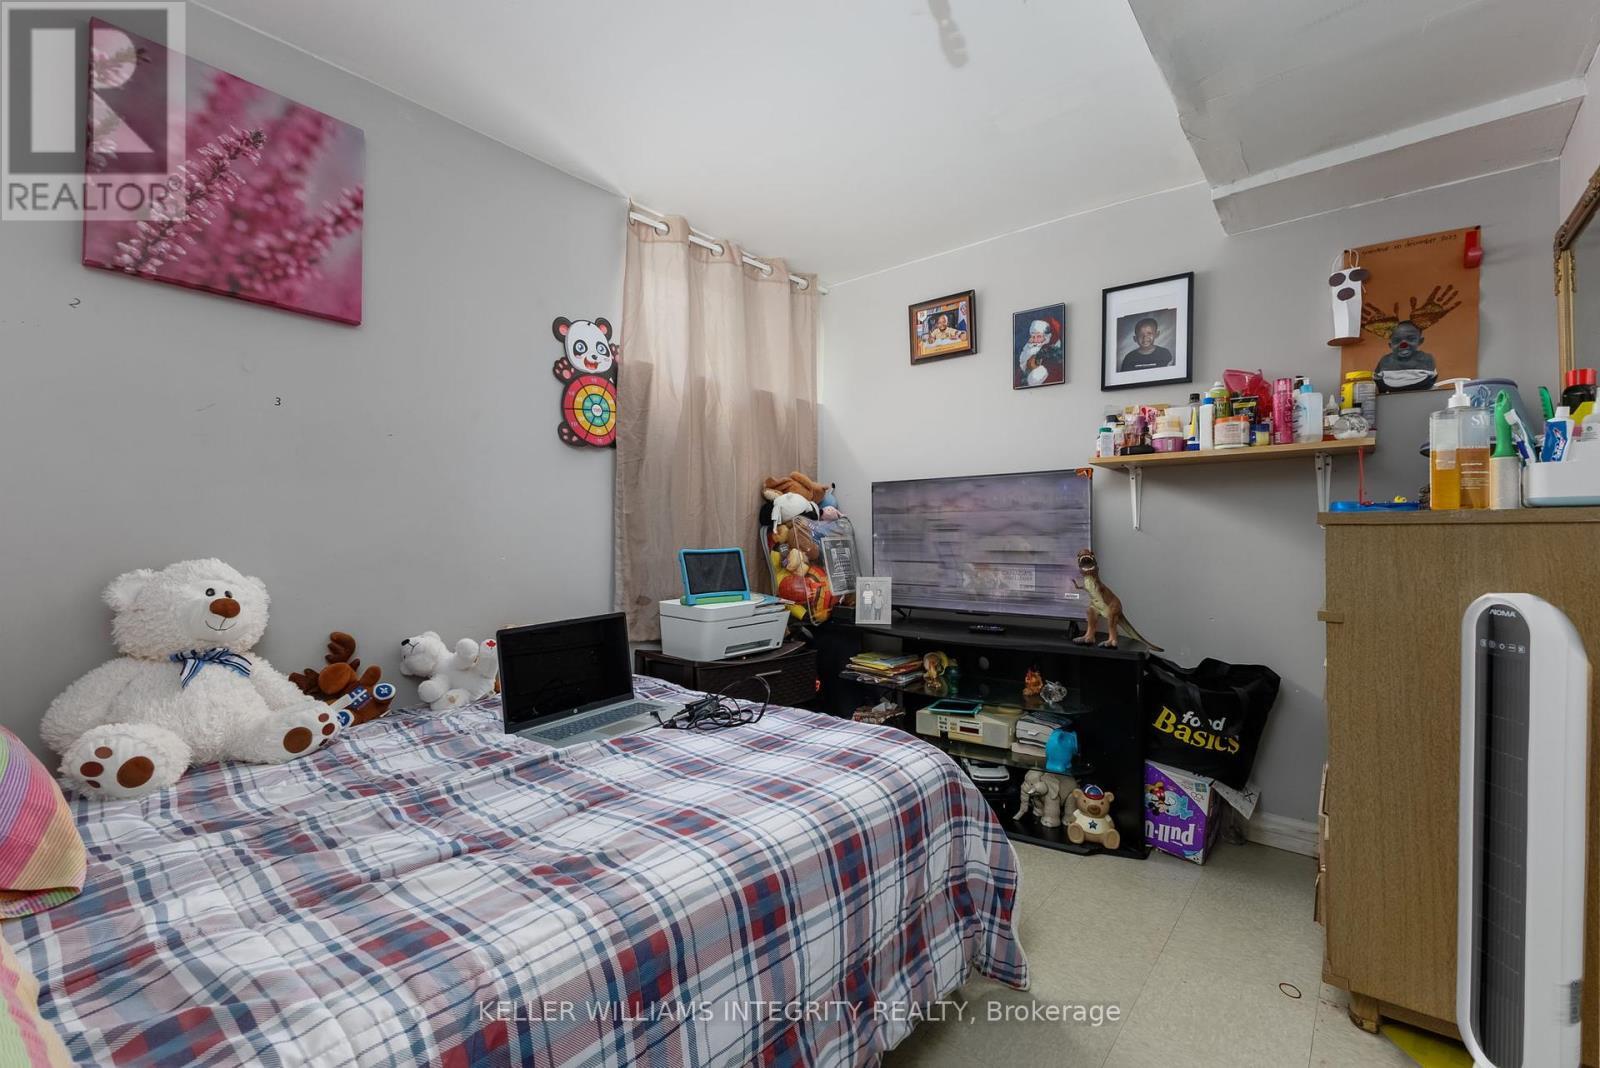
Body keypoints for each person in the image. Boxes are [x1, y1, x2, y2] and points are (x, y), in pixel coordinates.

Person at [1372, 320, 1438, 392]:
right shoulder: (1385, 361)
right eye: (1397, 340)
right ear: (1390, 345)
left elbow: (1432, 379)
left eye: (1411, 339)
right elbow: (1378, 381)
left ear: (1420, 341)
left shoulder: (1426, 358)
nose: (1404, 344)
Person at [1016, 317, 1063, 387]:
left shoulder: (1051, 353)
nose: (1035, 340)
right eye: (1033, 336)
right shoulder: (1028, 350)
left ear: (1046, 337)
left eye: (1039, 336)